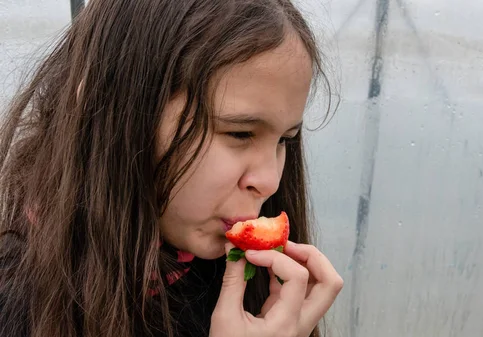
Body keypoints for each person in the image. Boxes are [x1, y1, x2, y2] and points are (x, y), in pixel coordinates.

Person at [0, 0, 343, 336]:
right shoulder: (14, 304)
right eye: (239, 133)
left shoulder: (244, 293)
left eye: (285, 139)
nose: (269, 181)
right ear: (109, 115)